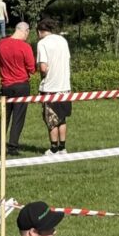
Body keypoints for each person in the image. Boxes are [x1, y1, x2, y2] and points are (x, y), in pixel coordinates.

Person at [0, 21, 36, 156]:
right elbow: (32, 68)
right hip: (21, 85)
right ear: (25, 31)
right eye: (28, 34)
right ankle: (13, 146)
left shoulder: (1, 44)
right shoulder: (25, 47)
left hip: (6, 85)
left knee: (4, 116)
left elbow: (0, 62)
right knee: (18, 117)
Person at [36, 18, 72, 156]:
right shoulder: (63, 40)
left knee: (51, 120)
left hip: (50, 87)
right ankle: (63, 147)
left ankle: (53, 148)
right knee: (62, 118)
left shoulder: (42, 43)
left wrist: (42, 74)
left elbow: (43, 67)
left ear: (39, 32)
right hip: (65, 86)